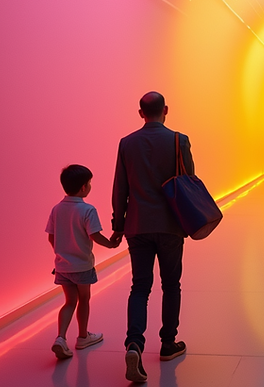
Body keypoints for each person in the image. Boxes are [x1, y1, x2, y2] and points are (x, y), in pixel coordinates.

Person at [111, 92, 192, 382]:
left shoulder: (127, 143)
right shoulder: (178, 140)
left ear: (140, 113)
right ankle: (168, 344)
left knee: (140, 287)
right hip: (170, 225)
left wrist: (118, 224)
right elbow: (188, 182)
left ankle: (134, 344)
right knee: (171, 284)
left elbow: (120, 186)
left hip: (138, 225)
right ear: (166, 110)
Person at [46, 164, 120, 359]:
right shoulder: (87, 210)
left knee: (69, 302)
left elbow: (51, 237)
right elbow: (95, 235)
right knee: (84, 300)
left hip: (62, 266)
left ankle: (60, 338)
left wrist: (61, 254)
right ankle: (82, 336)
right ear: (83, 188)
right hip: (82, 266)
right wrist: (111, 244)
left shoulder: (57, 209)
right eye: (89, 183)